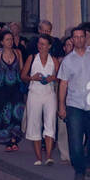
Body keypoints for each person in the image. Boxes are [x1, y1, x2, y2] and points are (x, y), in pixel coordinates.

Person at [57, 25, 90, 180]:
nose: (79, 40)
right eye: (76, 37)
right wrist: (61, 105)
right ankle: (79, 169)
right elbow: (63, 84)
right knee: (75, 139)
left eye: (82, 36)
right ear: (72, 40)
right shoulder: (68, 61)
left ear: (86, 38)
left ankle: (89, 161)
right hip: (75, 104)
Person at [22, 33, 57, 163]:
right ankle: (38, 158)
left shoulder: (53, 60)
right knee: (35, 123)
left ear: (49, 46)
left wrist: (52, 78)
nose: (40, 46)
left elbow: (59, 76)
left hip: (49, 94)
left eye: (43, 44)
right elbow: (23, 75)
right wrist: (32, 78)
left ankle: (49, 156)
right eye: (39, 44)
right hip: (34, 94)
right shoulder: (32, 58)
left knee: (50, 123)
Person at [0, 29, 26, 150]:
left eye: (11, 39)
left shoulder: (18, 53)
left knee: (16, 113)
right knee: (4, 114)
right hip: (2, 88)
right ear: (2, 42)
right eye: (7, 40)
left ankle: (14, 139)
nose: (10, 42)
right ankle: (8, 141)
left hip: (15, 88)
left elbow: (21, 71)